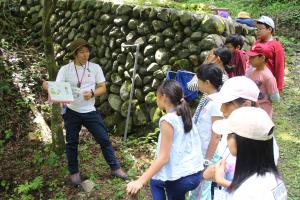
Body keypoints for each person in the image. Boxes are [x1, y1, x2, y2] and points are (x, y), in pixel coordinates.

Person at [42, 38, 127, 185]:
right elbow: (58, 88)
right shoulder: (65, 69)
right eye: (81, 52)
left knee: (104, 139)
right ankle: (74, 173)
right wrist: (48, 87)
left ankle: (115, 168)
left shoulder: (94, 68)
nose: (85, 54)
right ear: (74, 54)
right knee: (72, 143)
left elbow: (102, 87)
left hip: (89, 111)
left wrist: (93, 93)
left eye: (87, 51)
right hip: (72, 111)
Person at [126, 80, 204, 200]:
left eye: (157, 96)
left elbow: (163, 158)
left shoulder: (167, 120)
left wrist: (140, 181)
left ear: (164, 97)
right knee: (156, 181)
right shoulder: (185, 114)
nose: (156, 100)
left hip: (181, 179)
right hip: (196, 173)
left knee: (157, 183)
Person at [204, 76, 279, 198]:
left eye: (227, 103)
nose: (221, 109)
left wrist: (221, 180)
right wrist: (213, 174)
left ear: (246, 104)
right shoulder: (232, 129)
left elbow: (259, 190)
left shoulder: (263, 143)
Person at [212, 107, 287, 200]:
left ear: (242, 142)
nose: (227, 138)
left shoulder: (246, 191)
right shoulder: (274, 179)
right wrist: (221, 181)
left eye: (229, 134)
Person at [189, 64, 224, 200]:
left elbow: (216, 135)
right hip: (199, 151)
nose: (196, 82)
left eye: (198, 79)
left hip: (207, 154)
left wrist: (207, 161)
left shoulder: (216, 103)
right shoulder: (208, 97)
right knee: (197, 188)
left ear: (207, 83)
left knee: (202, 189)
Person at [252, 15, 285, 92]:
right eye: (257, 29)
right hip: (255, 79)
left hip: (268, 81)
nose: (257, 31)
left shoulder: (276, 45)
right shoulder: (255, 43)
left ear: (269, 29)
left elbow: (279, 66)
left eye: (260, 29)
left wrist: (278, 87)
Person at [246, 43, 280, 118]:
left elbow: (275, 98)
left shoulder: (268, 77)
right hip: (251, 110)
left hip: (263, 113)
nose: (250, 59)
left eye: (253, 57)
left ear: (262, 58)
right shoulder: (252, 71)